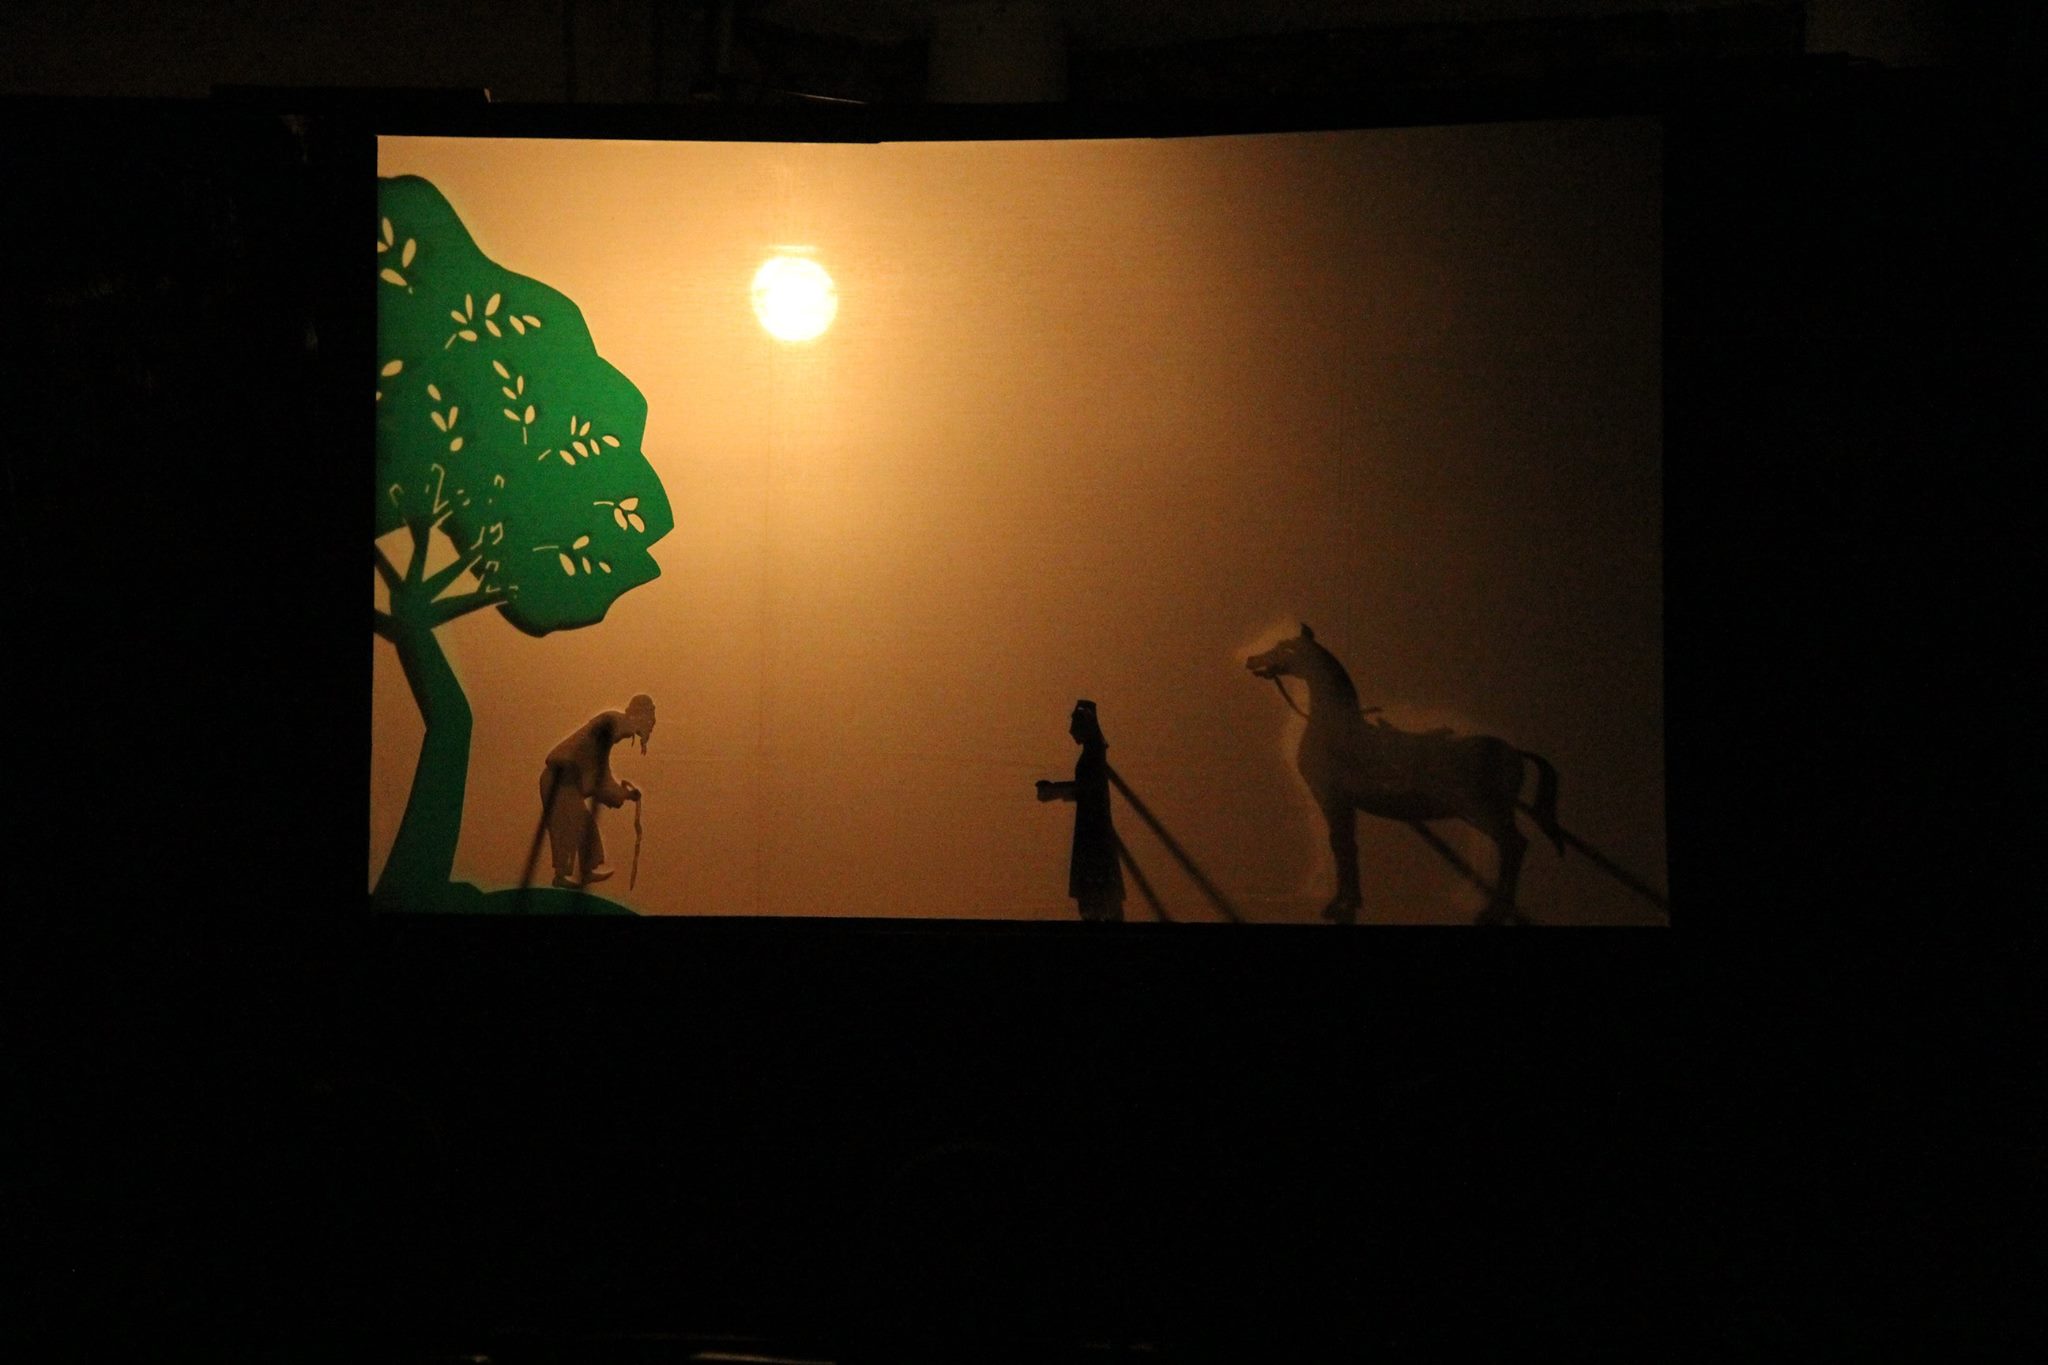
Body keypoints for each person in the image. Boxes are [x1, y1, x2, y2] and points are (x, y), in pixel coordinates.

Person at [539, 694, 654, 889]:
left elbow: (602, 778)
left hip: (568, 783)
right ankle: (561, 875)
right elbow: (601, 778)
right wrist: (634, 728)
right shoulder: (610, 722)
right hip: (558, 780)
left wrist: (624, 794)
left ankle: (586, 870)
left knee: (584, 824)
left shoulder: (601, 743)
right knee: (566, 827)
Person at [1034, 699, 1126, 922]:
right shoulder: (1093, 753)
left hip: (1093, 829)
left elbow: (1086, 788)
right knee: (1096, 881)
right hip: (1093, 826)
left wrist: (1052, 791)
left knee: (1093, 880)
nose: (1071, 731)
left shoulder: (1092, 755)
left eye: (1075, 725)